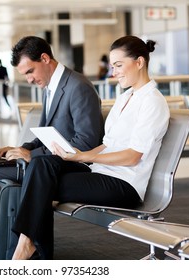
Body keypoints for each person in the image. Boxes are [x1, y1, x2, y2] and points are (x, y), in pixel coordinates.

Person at [11, 35, 170, 260]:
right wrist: (74, 155)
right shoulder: (125, 98)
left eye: (118, 65)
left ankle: (25, 250)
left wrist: (81, 157)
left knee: (40, 183)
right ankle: (30, 247)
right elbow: (107, 144)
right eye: (113, 66)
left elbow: (133, 156)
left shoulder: (152, 102)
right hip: (100, 174)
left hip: (124, 184)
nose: (113, 72)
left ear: (139, 62)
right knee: (41, 164)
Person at [0, 36, 103, 207]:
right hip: (46, 161)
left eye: (30, 71)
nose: (29, 80)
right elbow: (45, 135)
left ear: (45, 59)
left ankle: (1, 231)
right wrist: (22, 149)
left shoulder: (78, 87)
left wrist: (32, 156)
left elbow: (86, 143)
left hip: (69, 166)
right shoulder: (49, 88)